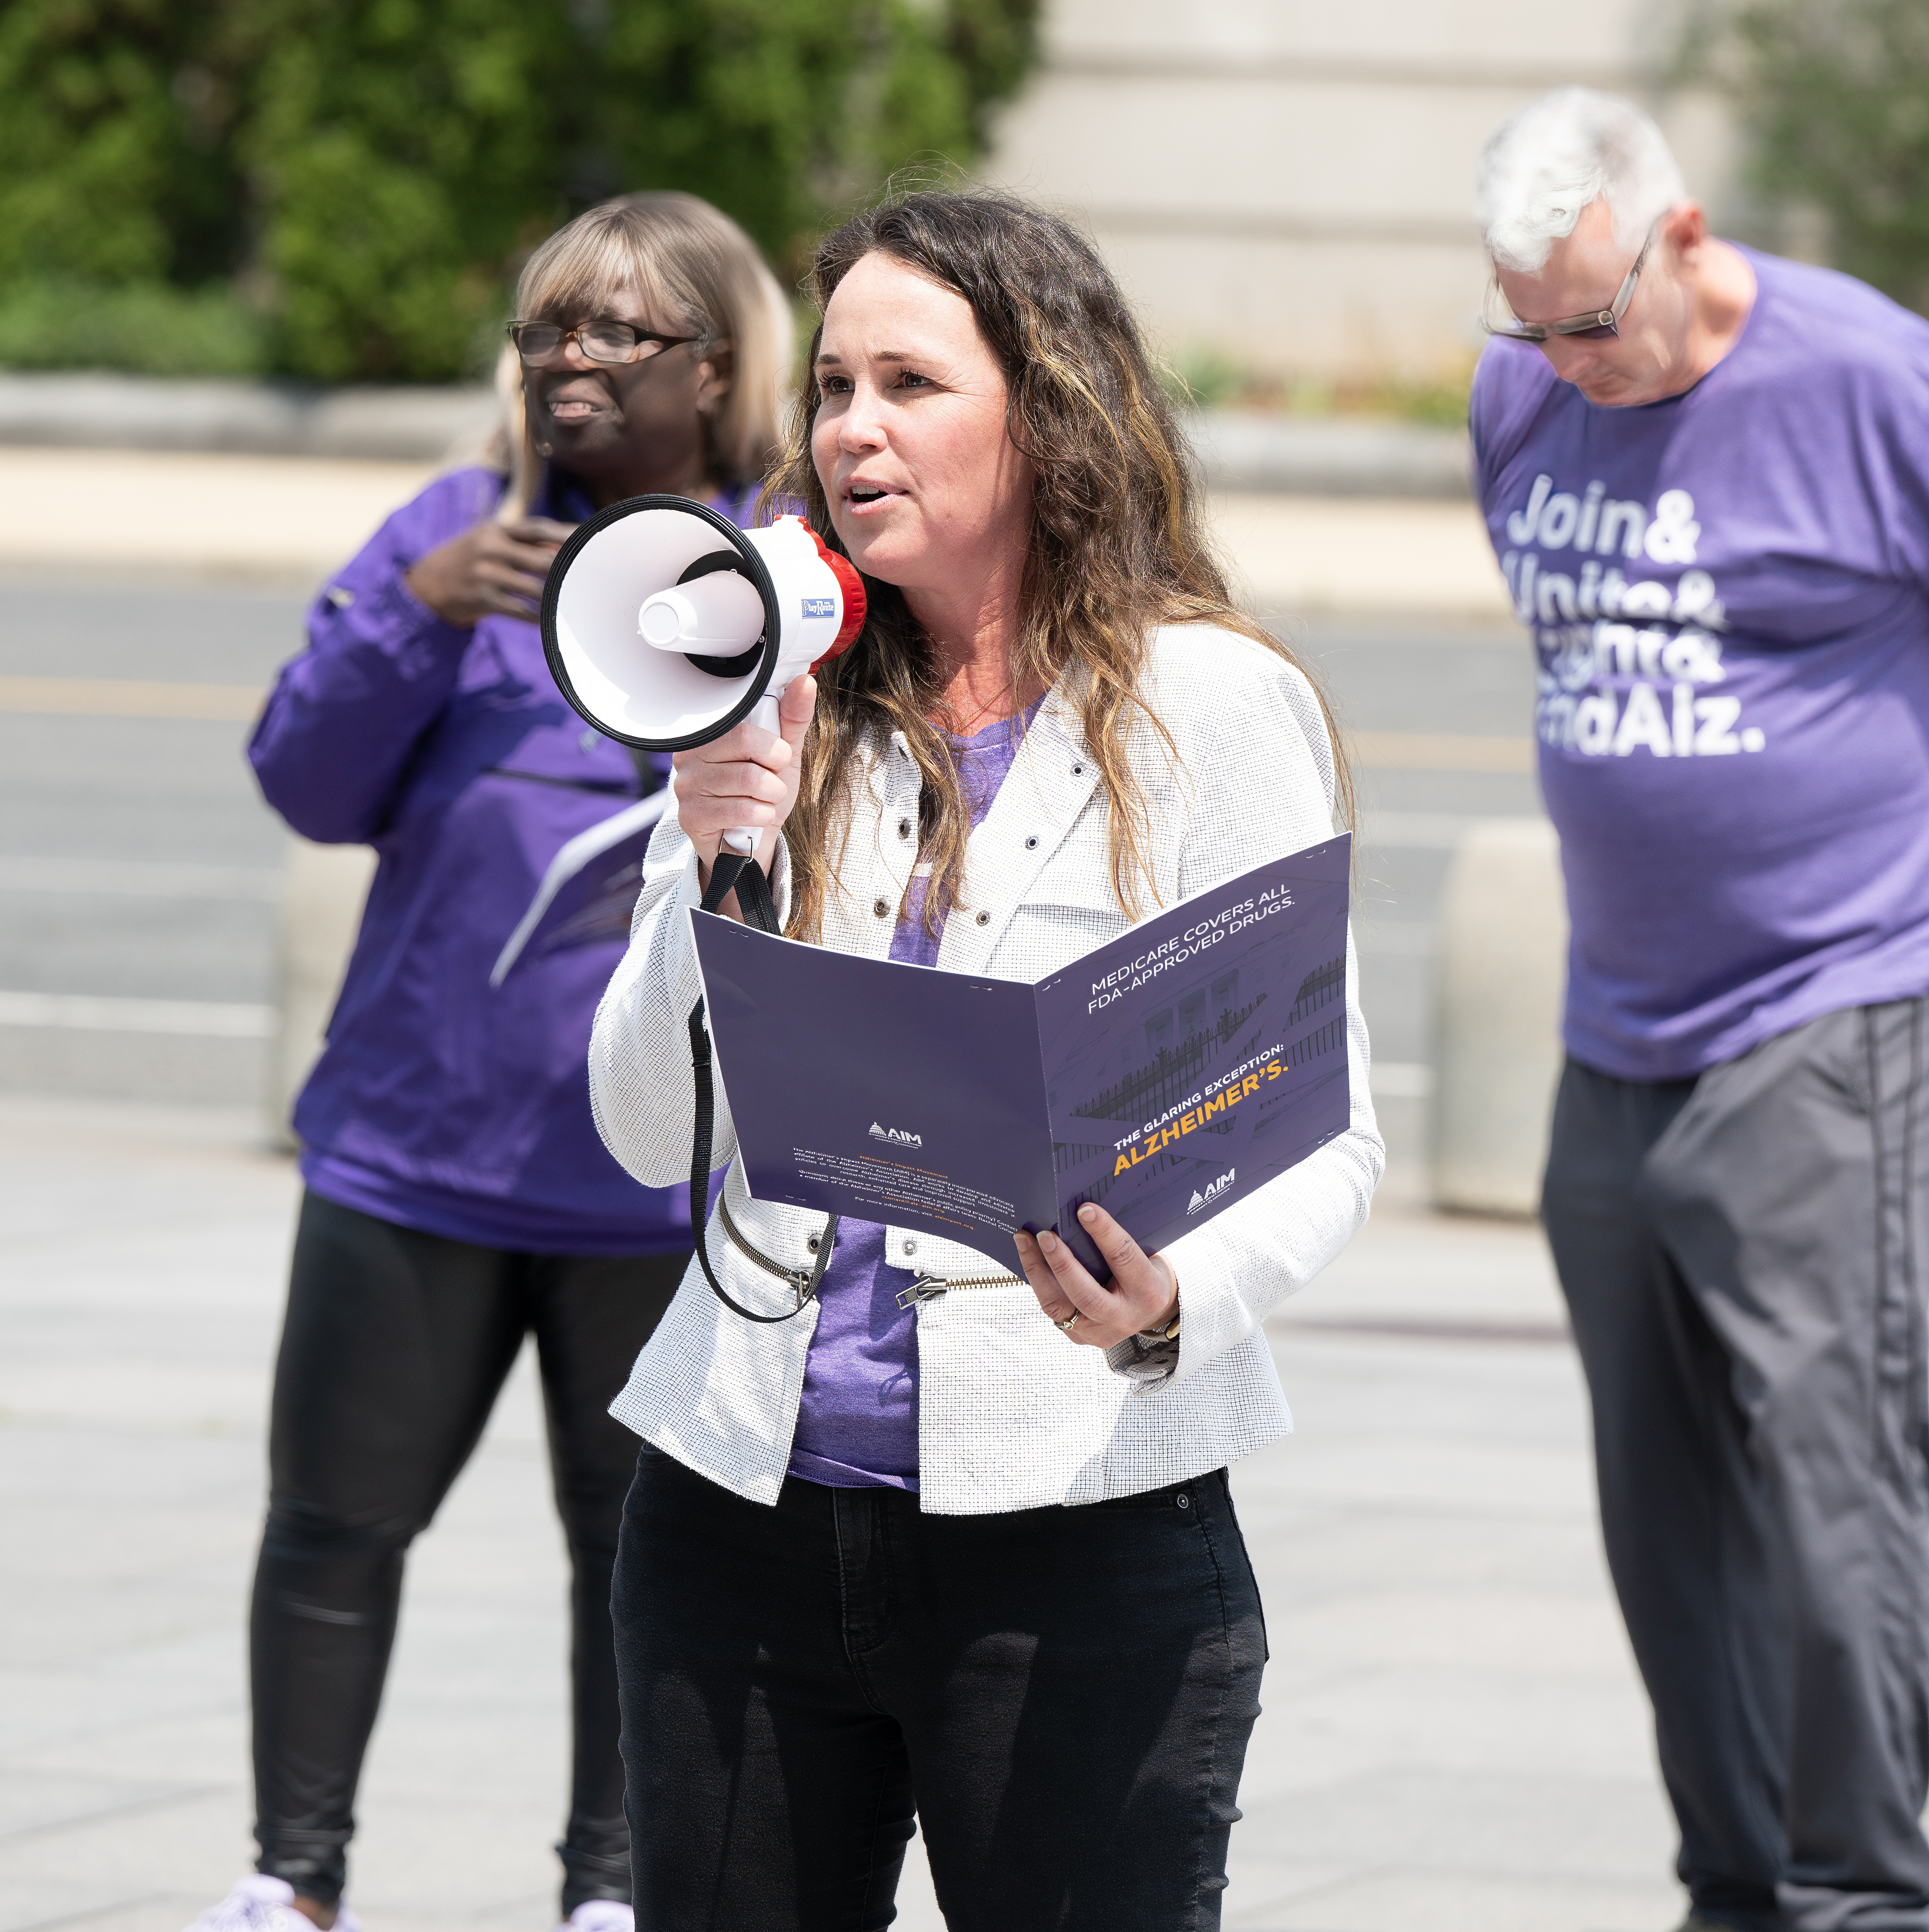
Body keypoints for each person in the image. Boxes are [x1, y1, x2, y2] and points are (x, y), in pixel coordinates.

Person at [585, 187, 1384, 1929]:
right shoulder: (766, 684)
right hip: (738, 1520)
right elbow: (648, 1128)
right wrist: (712, 855)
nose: (851, 427)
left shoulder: (1213, 707)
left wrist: (1169, 1296)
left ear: (1048, 408)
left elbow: (1326, 1135)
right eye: (832, 387)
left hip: (1079, 1533)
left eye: (909, 383)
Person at [185, 193, 792, 1932]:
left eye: (618, 330)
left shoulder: (777, 565)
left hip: (639, 1177)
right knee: (330, 1526)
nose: (570, 359)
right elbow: (303, 782)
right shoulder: (453, 535)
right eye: (545, 329)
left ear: (720, 363)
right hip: (411, 1152)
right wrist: (418, 615)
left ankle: (612, 1888)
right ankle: (290, 1880)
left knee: (636, 1561)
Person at [1472, 86, 1929, 1932]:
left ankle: (1876, 1887)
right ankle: (1738, 1879)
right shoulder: (1525, 394)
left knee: (1841, 1492)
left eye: (1595, 318)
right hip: (1616, 1031)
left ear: (1683, 236)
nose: (1569, 363)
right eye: (1532, 327)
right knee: (1664, 1518)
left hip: (1833, 1012)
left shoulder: (1869, 381)